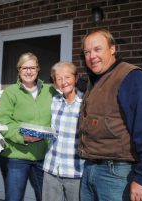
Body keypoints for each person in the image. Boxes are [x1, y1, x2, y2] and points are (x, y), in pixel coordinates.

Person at [79, 29, 142, 201]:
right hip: (90, 168)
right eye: (87, 52)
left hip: (117, 174)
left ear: (112, 49)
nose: (92, 56)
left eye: (97, 49)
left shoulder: (132, 77)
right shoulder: (95, 80)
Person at [0, 52, 56, 201]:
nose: (29, 71)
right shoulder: (10, 92)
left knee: (46, 197)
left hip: (42, 156)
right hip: (16, 156)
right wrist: (21, 136)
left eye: (32, 68)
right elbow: (3, 121)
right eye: (24, 68)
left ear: (38, 69)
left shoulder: (50, 91)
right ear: (19, 70)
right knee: (14, 198)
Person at [42, 62, 84, 201]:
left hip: (76, 171)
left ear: (76, 78)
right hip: (52, 168)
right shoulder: (54, 101)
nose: (63, 82)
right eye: (58, 78)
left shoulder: (85, 103)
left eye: (67, 77)